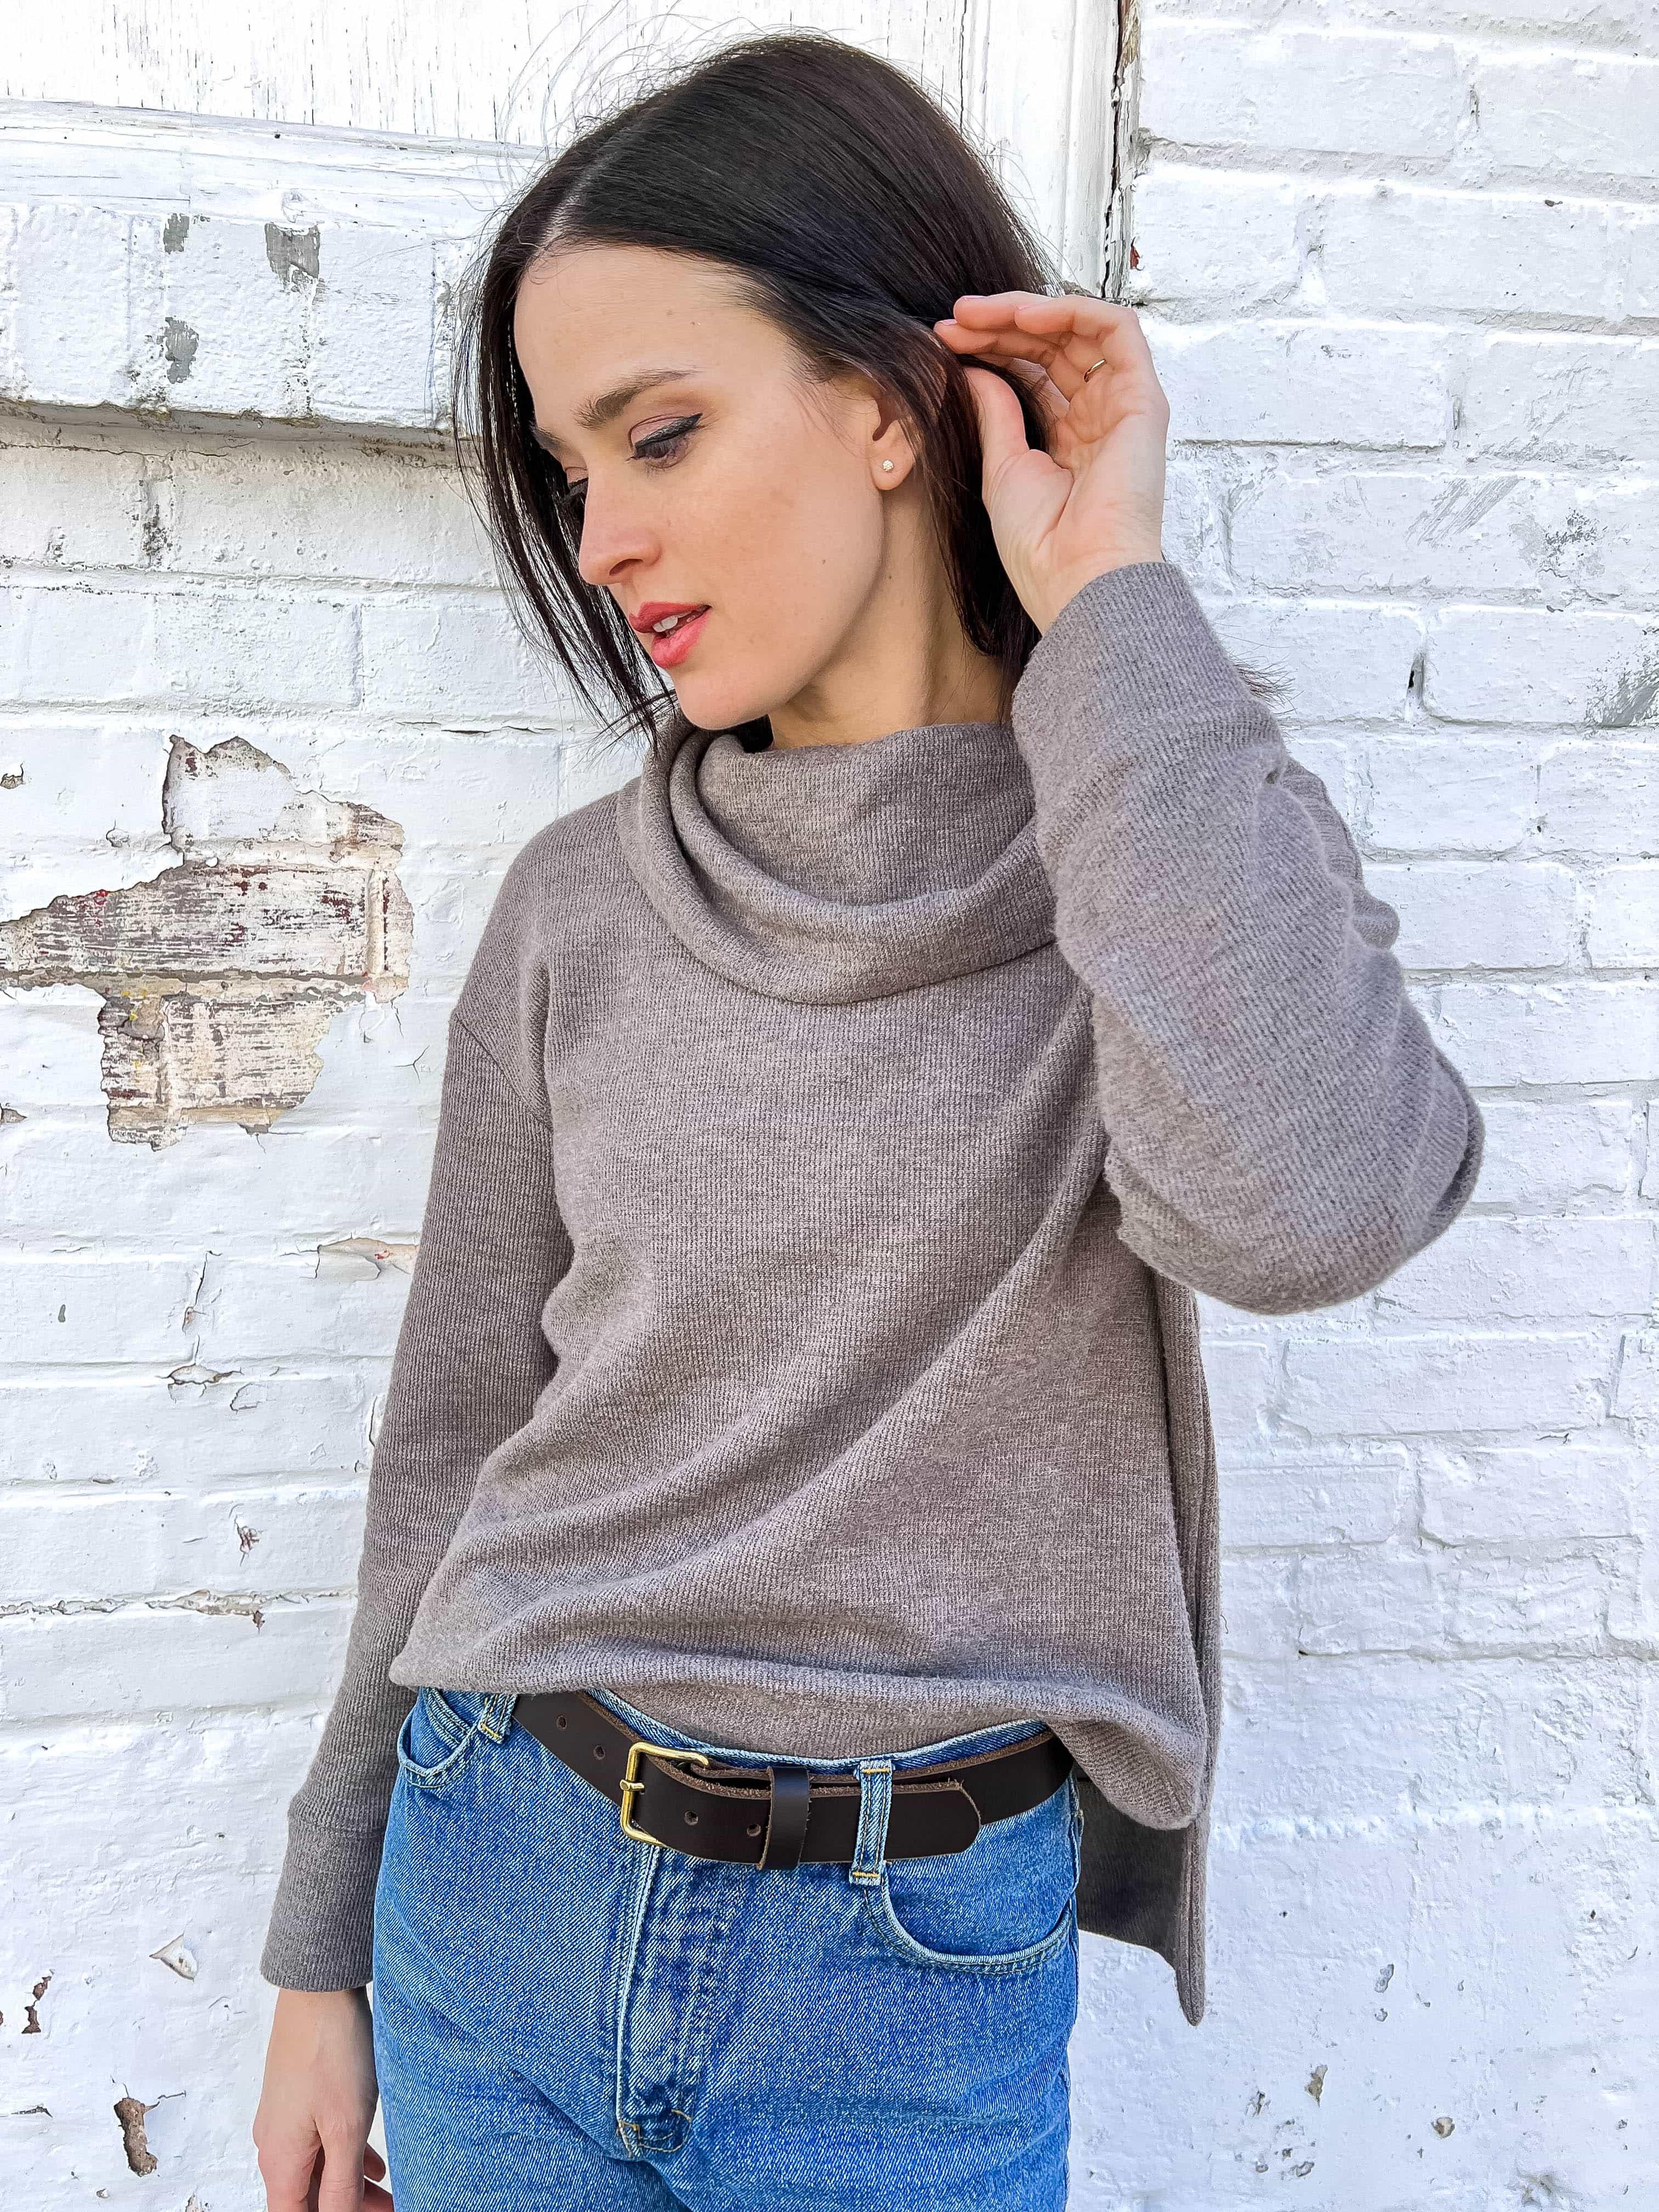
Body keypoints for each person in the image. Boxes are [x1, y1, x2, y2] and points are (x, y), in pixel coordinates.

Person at [251, 29, 1485, 2212]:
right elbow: (445, 1446)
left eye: (662, 431)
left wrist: (1106, 587)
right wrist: (316, 1956)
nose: (609, 539)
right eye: (573, 475)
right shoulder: (574, 913)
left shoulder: (1160, 858)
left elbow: (1307, 1209)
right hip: (495, 1880)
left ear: (893, 401)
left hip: (905, 1971)